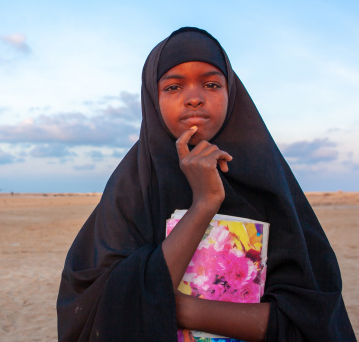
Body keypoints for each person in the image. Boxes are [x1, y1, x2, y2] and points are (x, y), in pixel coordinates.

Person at [56, 27, 355, 341]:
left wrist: (180, 309)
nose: (194, 98)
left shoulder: (269, 185)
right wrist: (204, 203)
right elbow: (93, 303)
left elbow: (313, 317)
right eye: (173, 87)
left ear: (232, 92)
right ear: (152, 98)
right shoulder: (132, 189)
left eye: (212, 84)